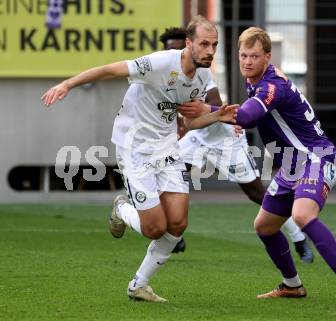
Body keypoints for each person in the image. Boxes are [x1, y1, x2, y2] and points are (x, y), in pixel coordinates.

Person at [41, 15, 234, 303]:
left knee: (178, 225)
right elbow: (108, 70)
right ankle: (121, 209)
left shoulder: (203, 77)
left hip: (167, 148)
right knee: (154, 228)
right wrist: (68, 84)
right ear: (189, 43)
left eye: (214, 45)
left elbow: (189, 123)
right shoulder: (159, 63)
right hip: (135, 148)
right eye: (204, 44)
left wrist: (218, 116)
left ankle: (139, 285)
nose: (210, 51)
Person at [183, 27, 336, 304]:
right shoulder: (256, 80)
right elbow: (252, 118)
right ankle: (292, 285)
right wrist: (236, 118)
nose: (247, 61)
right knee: (265, 226)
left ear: (267, 56)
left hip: (316, 156)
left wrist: (209, 111)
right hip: (291, 164)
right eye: (243, 55)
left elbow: (247, 115)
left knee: (302, 216)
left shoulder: (270, 85)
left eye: (254, 56)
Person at [159, 27, 314, 262]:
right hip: (197, 137)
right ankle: (174, 232)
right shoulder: (166, 74)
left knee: (255, 193)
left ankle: (298, 237)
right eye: (170, 49)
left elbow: (215, 103)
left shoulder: (201, 72)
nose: (175, 52)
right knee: (168, 174)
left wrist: (205, 114)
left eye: (179, 47)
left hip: (225, 136)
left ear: (189, 47)